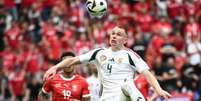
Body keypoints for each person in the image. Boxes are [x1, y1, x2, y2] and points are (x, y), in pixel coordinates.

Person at [43, 26, 171, 101]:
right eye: (113, 34)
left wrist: (158, 90)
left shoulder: (130, 55)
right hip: (107, 98)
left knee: (128, 85)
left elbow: (147, 74)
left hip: (123, 96)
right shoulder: (99, 53)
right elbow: (73, 60)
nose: (114, 36)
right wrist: (55, 67)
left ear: (125, 40)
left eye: (119, 35)